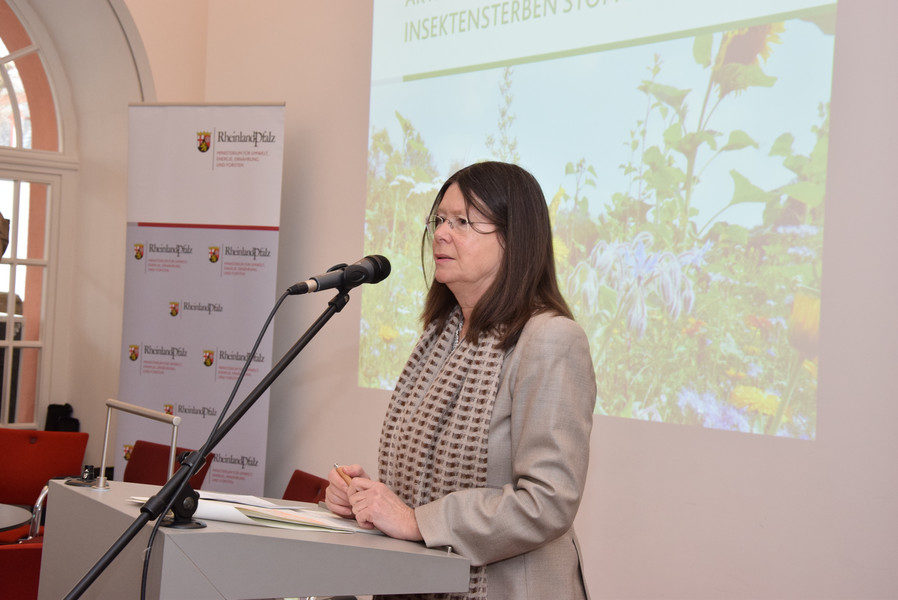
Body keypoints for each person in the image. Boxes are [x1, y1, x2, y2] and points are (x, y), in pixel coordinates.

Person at [326, 161, 596, 600]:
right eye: (440, 220)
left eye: (463, 222)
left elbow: (548, 501)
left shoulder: (550, 339)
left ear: (514, 238)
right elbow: (430, 482)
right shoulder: (440, 337)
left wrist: (417, 521)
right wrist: (365, 498)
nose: (442, 234)